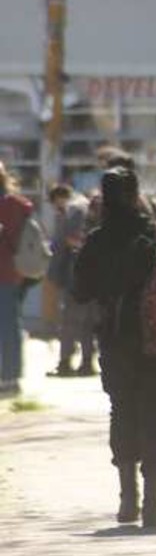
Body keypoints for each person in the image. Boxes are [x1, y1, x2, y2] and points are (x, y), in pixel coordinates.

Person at [72, 167, 156, 528]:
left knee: (122, 410)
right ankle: (153, 502)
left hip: (116, 337)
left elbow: (80, 291)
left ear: (103, 198)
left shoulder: (97, 240)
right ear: (136, 195)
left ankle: (127, 498)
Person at [48, 183, 96, 377]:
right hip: (93, 272)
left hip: (75, 272)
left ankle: (65, 363)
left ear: (59, 197)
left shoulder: (73, 209)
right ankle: (87, 363)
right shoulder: (88, 205)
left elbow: (68, 240)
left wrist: (55, 272)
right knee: (88, 321)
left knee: (69, 320)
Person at [0, 161, 35, 395]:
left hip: (6, 272)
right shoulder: (18, 204)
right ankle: (11, 377)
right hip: (12, 273)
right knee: (10, 326)